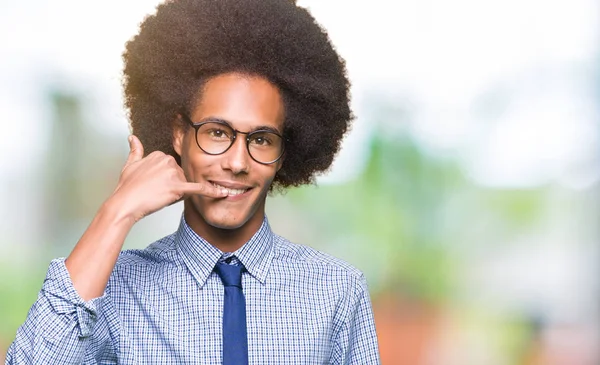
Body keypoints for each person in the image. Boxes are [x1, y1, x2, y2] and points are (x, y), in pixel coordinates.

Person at [6, 0, 381, 363]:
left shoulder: (337, 291)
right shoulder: (111, 288)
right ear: (178, 135)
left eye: (261, 139)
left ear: (285, 153)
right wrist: (118, 210)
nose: (237, 162)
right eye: (217, 133)